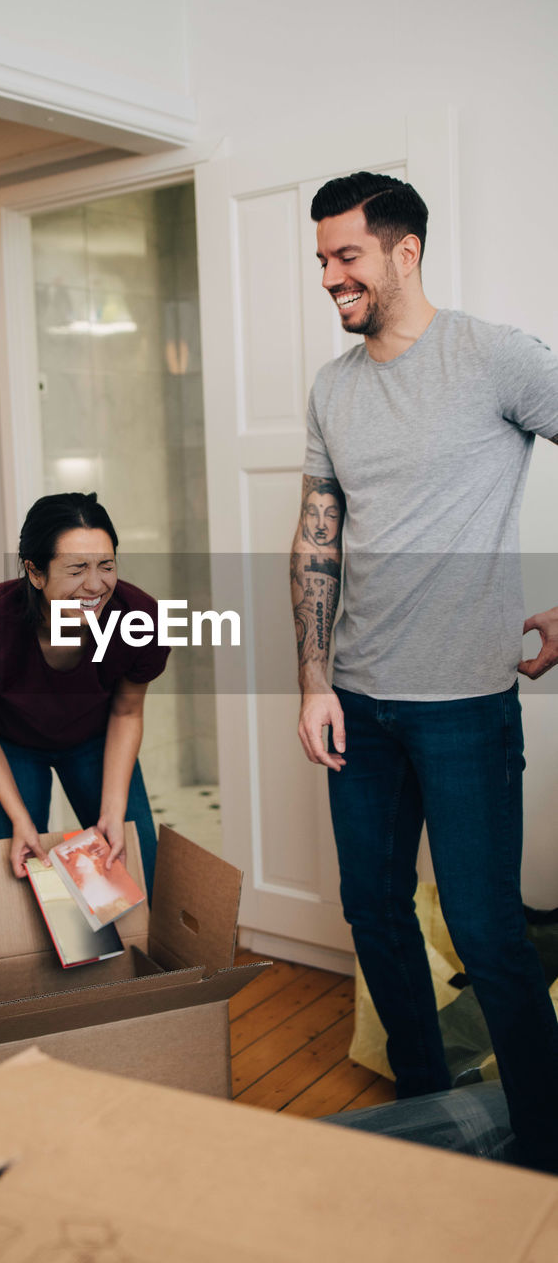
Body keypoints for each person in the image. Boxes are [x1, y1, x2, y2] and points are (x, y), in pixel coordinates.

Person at [290, 170, 558, 1171]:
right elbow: (316, 535)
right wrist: (314, 678)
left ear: (405, 252)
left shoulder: (493, 358)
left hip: (464, 710)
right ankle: (427, 1114)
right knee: (373, 910)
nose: (329, 276)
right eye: (320, 258)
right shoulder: (332, 387)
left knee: (488, 933)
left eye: (346, 255)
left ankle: (541, 1145)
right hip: (357, 699)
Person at [0, 492, 168, 898]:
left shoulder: (141, 620)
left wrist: (113, 812)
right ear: (35, 571)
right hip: (10, 745)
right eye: (77, 569)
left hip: (95, 739)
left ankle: (139, 962)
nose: (96, 585)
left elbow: (127, 713)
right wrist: (19, 817)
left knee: (136, 861)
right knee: (21, 873)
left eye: (107, 565)